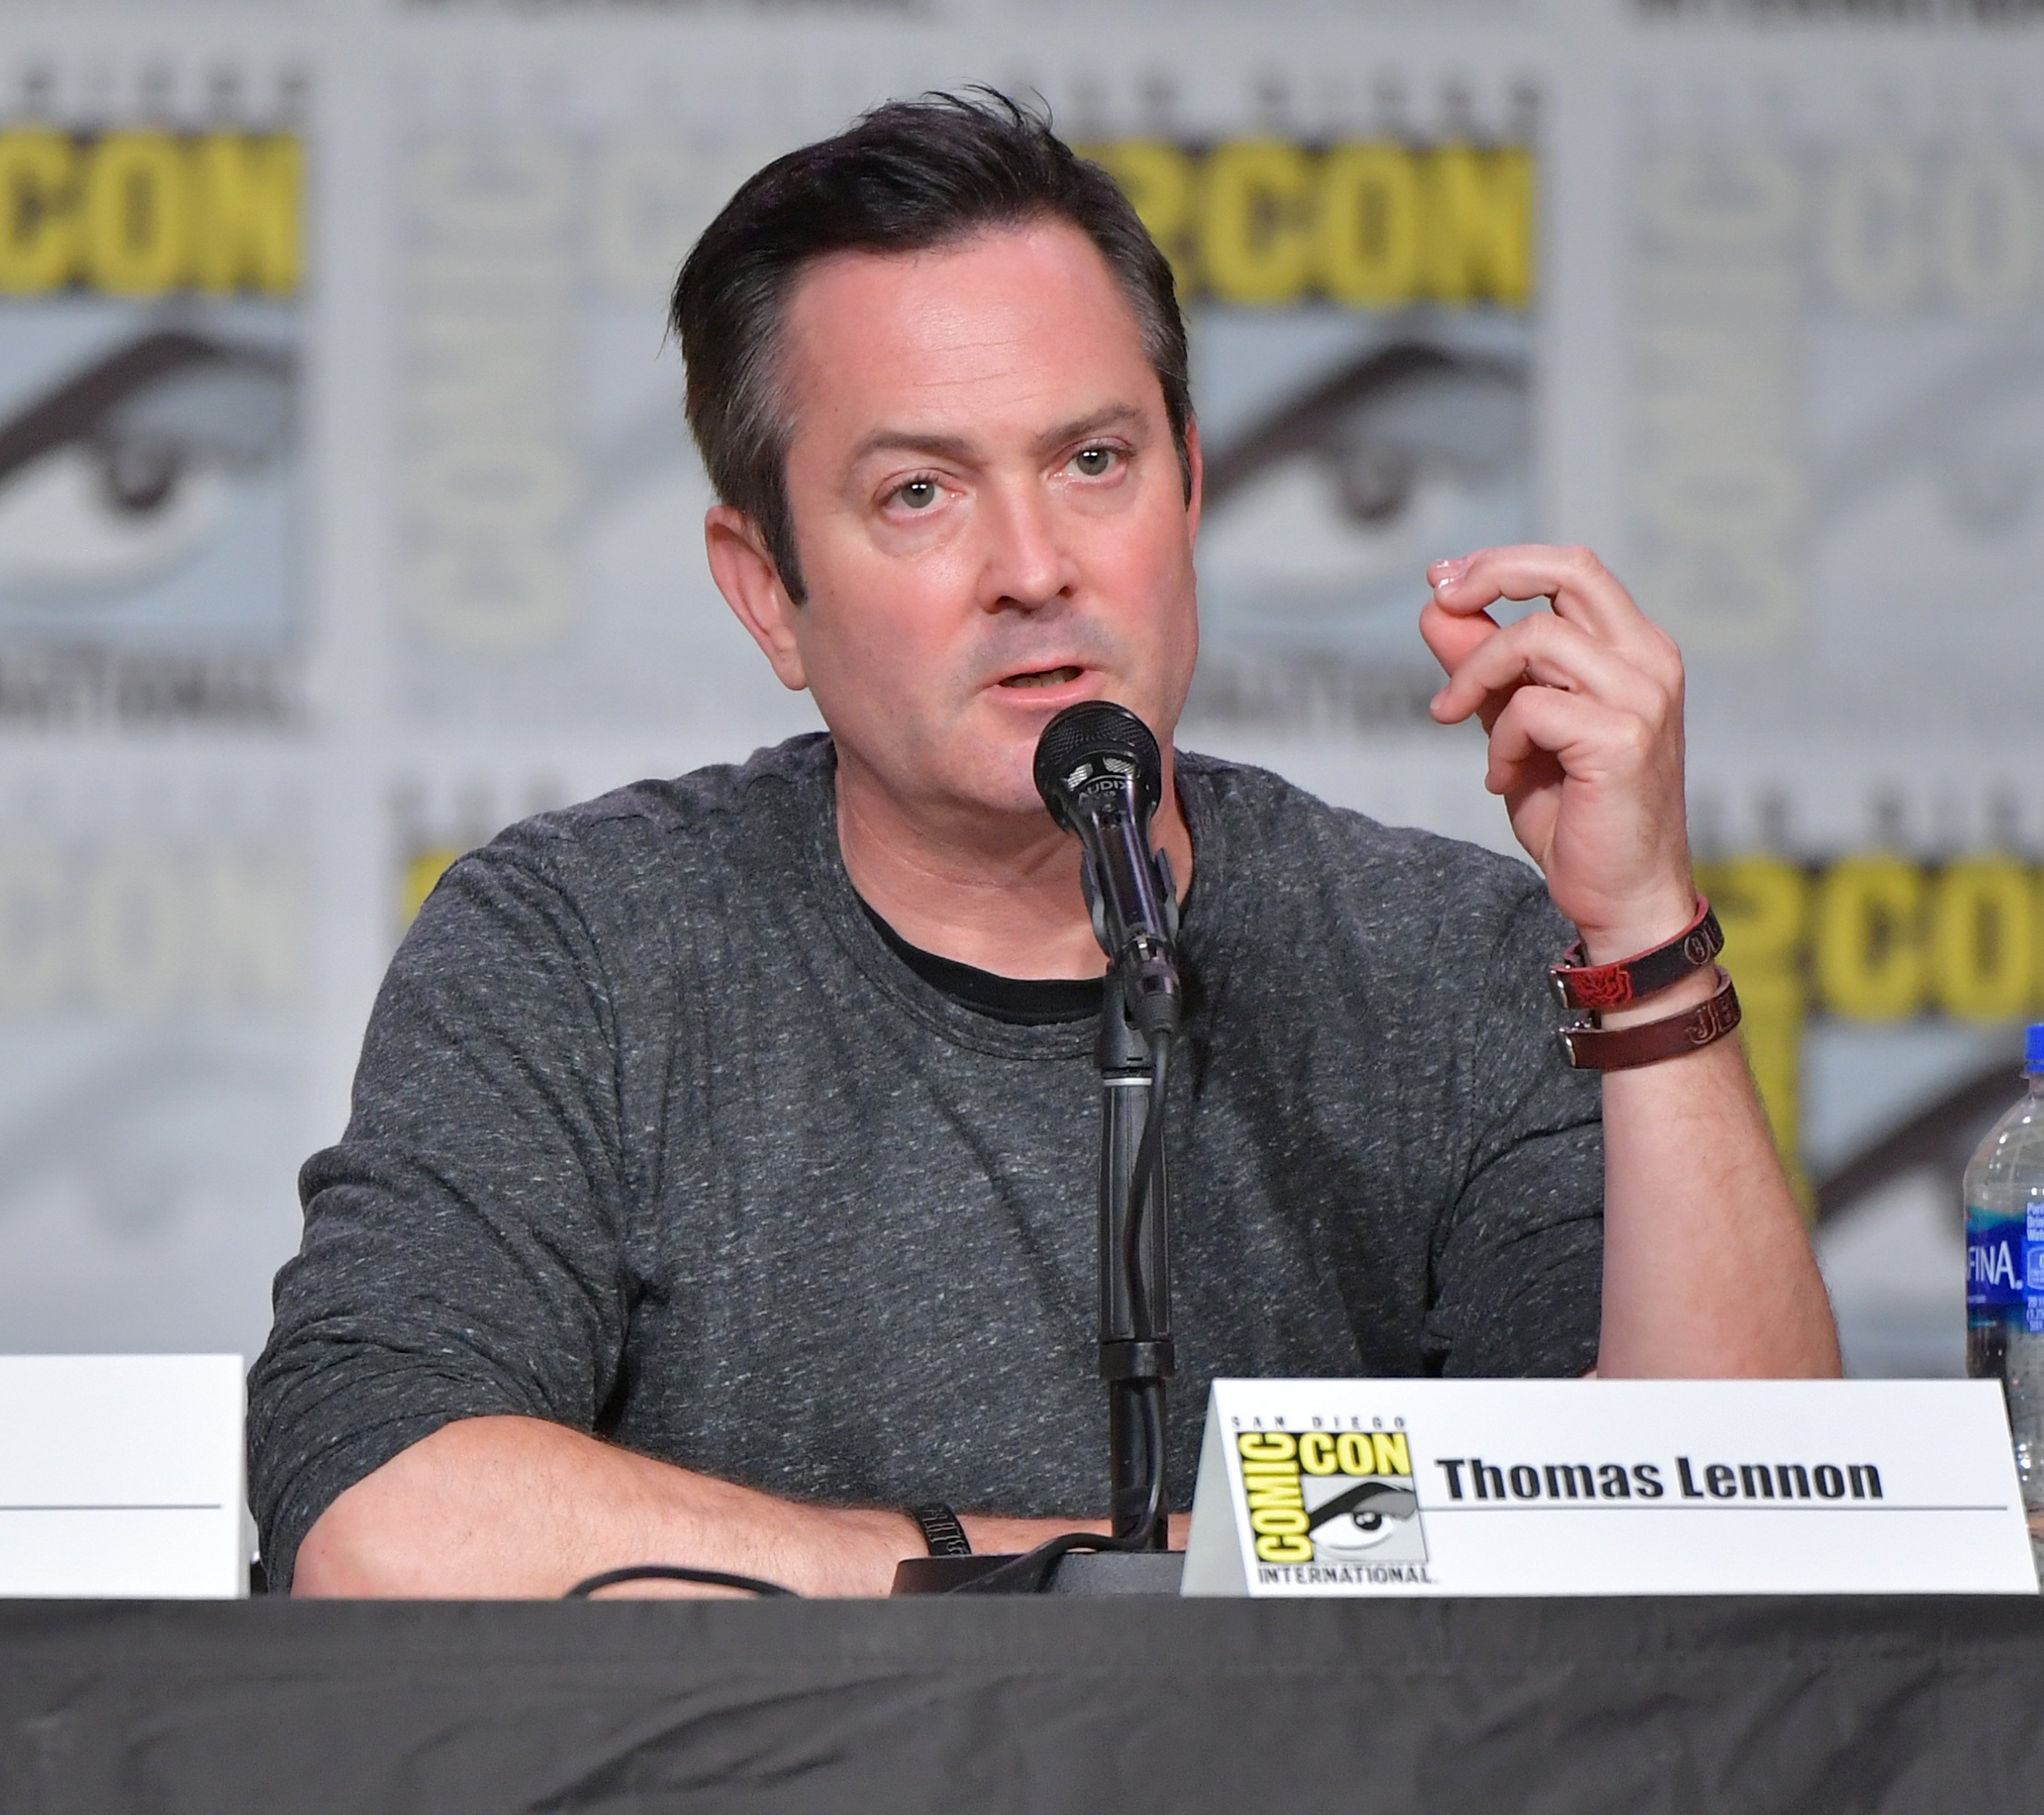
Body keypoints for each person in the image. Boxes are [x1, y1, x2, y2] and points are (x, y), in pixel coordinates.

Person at [248, 91, 1837, 1599]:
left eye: (1093, 462)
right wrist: (1067, 1580)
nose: (1034, 567)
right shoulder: (580, 950)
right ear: (763, 588)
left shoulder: (1447, 959)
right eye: (921, 491)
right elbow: (385, 1519)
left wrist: (1636, 928)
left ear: (1192, 484)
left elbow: (1737, 1543)